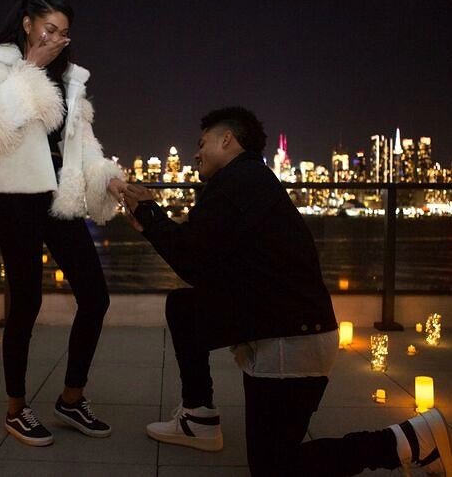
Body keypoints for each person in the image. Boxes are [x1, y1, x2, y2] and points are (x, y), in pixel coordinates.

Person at [123, 106, 452, 476]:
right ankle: (198, 417)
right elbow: (205, 264)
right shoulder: (245, 181)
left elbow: (190, 257)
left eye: (202, 143)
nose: (196, 153)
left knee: (274, 468)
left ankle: (412, 439)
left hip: (292, 342)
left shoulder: (239, 183)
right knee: (185, 307)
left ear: (227, 140)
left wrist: (150, 215)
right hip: (279, 323)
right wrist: (152, 221)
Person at [0, 0, 126, 447]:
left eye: (64, 33)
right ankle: (16, 408)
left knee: (95, 296)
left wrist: (108, 178)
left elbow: (81, 140)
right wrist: (30, 67)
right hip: (15, 197)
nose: (56, 39)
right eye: (49, 29)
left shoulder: (70, 78)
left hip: (59, 196)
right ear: (28, 23)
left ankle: (71, 398)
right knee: (26, 303)